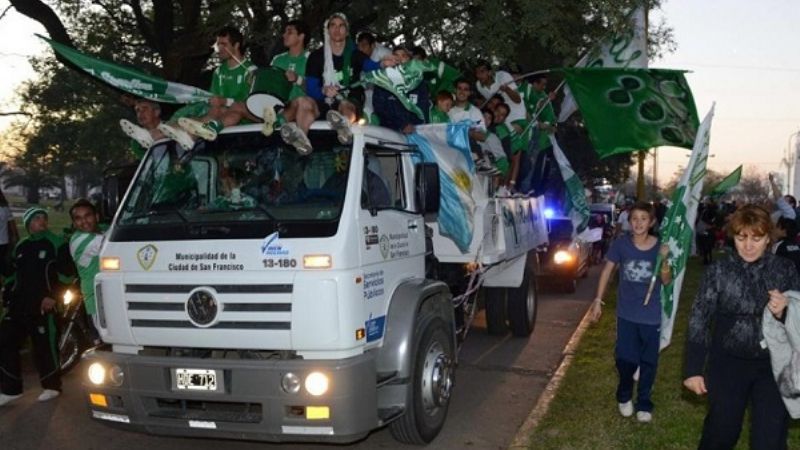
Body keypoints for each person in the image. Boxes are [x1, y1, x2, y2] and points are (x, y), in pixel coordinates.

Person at [684, 204, 799, 449]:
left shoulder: (785, 269)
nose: (748, 245)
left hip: (774, 366)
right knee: (721, 433)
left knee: (769, 438)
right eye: (741, 238)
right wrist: (693, 368)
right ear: (733, 238)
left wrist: (786, 311)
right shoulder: (718, 271)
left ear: (768, 238)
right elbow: (699, 318)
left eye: (756, 238)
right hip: (727, 364)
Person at [589, 201, 672, 423]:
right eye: (634, 218)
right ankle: (624, 393)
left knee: (649, 362)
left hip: (650, 316)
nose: (638, 223)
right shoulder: (621, 245)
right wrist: (598, 300)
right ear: (629, 221)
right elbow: (607, 271)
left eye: (644, 219)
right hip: (626, 314)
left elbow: (666, 280)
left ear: (652, 222)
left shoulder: (659, 246)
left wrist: (663, 261)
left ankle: (644, 402)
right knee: (625, 359)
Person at [0, 207, 68, 406]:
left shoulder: (56, 243)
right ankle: (11, 389)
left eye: (44, 218)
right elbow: (11, 274)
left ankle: (52, 386)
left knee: (44, 347)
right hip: (18, 306)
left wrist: (53, 297)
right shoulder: (21, 246)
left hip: (43, 306)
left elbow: (66, 275)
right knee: (4, 340)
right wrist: (8, 296)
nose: (42, 221)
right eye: (37, 218)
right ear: (28, 223)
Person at [160, 26, 257, 148]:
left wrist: (224, 101)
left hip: (239, 118)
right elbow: (214, 100)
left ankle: (188, 135)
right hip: (217, 115)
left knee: (217, 111)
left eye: (224, 44)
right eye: (218, 44)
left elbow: (249, 103)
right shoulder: (218, 71)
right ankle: (164, 133)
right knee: (198, 115)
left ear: (236, 45)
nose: (219, 49)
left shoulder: (251, 70)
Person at [68, 199, 105, 330]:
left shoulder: (99, 232)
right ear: (74, 223)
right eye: (78, 218)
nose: (84, 221)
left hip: (111, 295)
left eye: (87, 216)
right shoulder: (81, 241)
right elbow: (115, 242)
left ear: (97, 216)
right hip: (98, 301)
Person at [0, 187, 18, 281]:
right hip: (4, 242)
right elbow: (12, 225)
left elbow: (12, 225)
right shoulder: (5, 208)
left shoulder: (4, 209)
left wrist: (14, 237)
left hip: (3, 241)